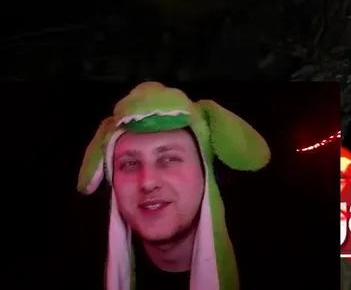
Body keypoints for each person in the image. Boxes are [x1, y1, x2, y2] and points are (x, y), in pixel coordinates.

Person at [78, 81, 271, 290]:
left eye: (169, 159)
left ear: (206, 173)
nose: (148, 182)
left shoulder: (272, 264)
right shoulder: (78, 268)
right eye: (130, 164)